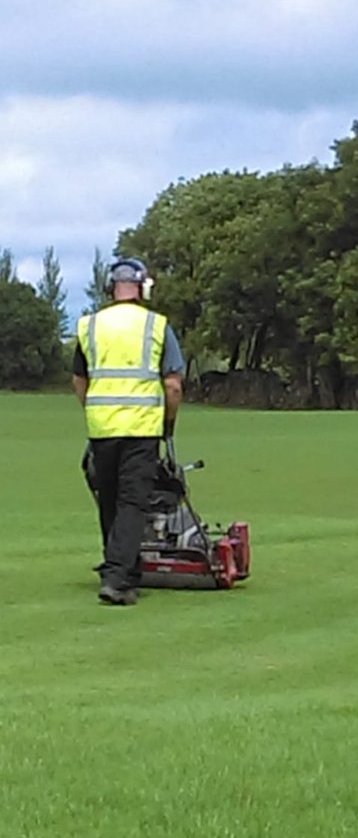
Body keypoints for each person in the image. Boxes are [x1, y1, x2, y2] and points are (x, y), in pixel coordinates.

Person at [73, 257, 185, 606]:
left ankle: (125, 568)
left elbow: (80, 380)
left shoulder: (90, 325)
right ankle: (117, 579)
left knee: (109, 499)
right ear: (142, 287)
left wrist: (95, 410)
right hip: (142, 427)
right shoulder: (156, 325)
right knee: (133, 502)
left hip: (102, 427)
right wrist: (168, 424)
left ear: (110, 288)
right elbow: (173, 384)